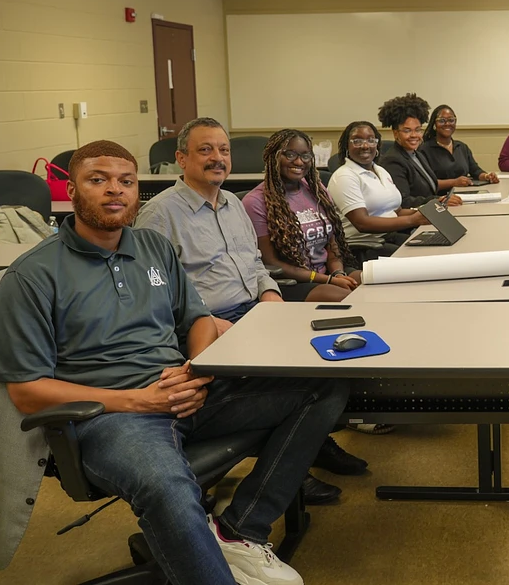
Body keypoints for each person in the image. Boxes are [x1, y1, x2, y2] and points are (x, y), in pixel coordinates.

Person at [0, 140, 348, 585]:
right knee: (168, 486)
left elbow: (197, 318)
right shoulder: (34, 275)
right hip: (113, 415)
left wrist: (195, 368)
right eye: (97, 180)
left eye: (126, 181)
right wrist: (139, 401)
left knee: (324, 385)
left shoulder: (153, 248)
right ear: (72, 193)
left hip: (185, 390)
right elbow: (26, 391)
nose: (114, 190)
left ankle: (238, 530)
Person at [134, 118, 359, 503]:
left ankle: (309, 444)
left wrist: (270, 295)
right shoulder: (160, 216)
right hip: (210, 325)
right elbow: (156, 295)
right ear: (181, 158)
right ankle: (291, 471)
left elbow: (255, 264)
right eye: (205, 150)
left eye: (223, 150)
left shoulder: (232, 203)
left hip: (254, 308)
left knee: (336, 351)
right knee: (301, 381)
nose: (217, 158)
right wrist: (207, 322)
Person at [242, 129, 361, 302]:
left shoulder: (316, 190)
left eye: (306, 156)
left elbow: (332, 243)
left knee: (372, 284)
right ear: (273, 156)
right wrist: (328, 280)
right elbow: (271, 262)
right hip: (292, 282)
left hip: (327, 274)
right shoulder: (255, 202)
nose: (299, 161)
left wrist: (338, 273)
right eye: (290, 154)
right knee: (351, 299)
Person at [329, 120, 431, 258]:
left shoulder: (381, 171)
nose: (365, 146)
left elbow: (396, 211)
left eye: (371, 140)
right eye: (357, 141)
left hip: (391, 235)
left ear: (377, 145)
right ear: (347, 146)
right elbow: (362, 223)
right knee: (424, 258)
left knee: (435, 247)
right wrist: (413, 220)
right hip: (364, 246)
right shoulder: (344, 176)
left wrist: (425, 212)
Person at [376, 93, 463, 209]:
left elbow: (431, 185)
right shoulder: (393, 160)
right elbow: (404, 201)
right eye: (407, 131)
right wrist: (438, 200)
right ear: (396, 133)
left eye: (418, 130)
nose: (414, 135)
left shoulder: (417, 155)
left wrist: (444, 198)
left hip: (432, 213)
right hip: (414, 221)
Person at [419, 104, 499, 191]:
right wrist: (454, 182)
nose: (447, 124)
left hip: (466, 196)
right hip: (441, 199)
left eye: (451, 120)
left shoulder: (462, 147)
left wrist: (487, 176)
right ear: (434, 124)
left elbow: (475, 171)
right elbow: (425, 183)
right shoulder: (425, 150)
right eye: (442, 120)